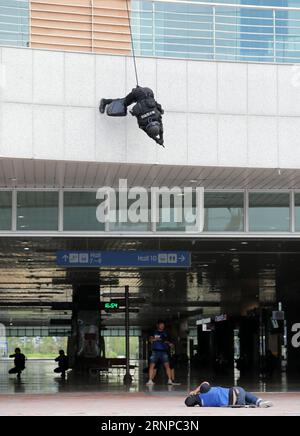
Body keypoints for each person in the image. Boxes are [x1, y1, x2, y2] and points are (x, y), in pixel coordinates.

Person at [99, 86, 164, 146]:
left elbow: (160, 129)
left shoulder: (157, 116)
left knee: (158, 109)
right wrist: (157, 139)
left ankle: (138, 91)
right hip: (137, 93)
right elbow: (148, 132)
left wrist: (161, 139)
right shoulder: (142, 121)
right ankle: (104, 101)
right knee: (123, 103)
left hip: (149, 91)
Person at [184, 381, 273, 408]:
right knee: (243, 392)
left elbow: (188, 402)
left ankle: (248, 405)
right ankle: (258, 401)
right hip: (235, 393)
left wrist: (194, 395)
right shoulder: (205, 389)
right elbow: (205, 382)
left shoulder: (202, 403)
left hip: (233, 404)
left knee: (242, 400)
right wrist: (196, 390)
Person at [146, 320, 175, 386]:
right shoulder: (153, 332)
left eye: (163, 325)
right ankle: (150, 380)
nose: (162, 326)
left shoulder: (166, 333)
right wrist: (156, 339)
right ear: (157, 325)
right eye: (161, 325)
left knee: (167, 366)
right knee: (152, 366)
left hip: (164, 352)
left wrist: (169, 343)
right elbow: (150, 340)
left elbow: (169, 342)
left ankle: (169, 380)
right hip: (155, 351)